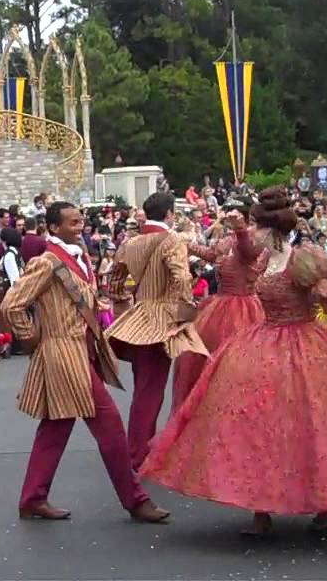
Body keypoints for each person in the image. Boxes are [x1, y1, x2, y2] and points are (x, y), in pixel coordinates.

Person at [141, 187, 327, 536]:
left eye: (256, 226)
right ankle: (260, 509)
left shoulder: (300, 261)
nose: (252, 232)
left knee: (314, 425)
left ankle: (326, 501)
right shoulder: (265, 259)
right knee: (257, 425)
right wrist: (233, 232)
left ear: (271, 230)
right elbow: (241, 252)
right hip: (263, 344)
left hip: (307, 347)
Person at [3, 202, 170, 523]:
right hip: (66, 355)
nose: (80, 226)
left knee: (56, 427)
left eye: (80, 221)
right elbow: (12, 305)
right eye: (73, 222)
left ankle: (32, 497)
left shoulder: (76, 257)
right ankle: (135, 500)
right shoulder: (47, 262)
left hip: (82, 351)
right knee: (110, 426)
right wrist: (35, 339)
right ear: (54, 228)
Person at [104, 192, 208, 470]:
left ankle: (139, 447)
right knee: (151, 389)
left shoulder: (130, 242)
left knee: (143, 384)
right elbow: (181, 278)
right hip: (161, 318)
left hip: (138, 314)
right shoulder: (171, 241)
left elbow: (114, 279)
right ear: (170, 214)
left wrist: (124, 300)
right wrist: (184, 311)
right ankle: (138, 452)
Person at [172, 202, 266, 412]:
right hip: (220, 304)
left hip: (244, 307)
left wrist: (240, 229)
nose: (229, 219)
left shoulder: (253, 241)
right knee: (206, 359)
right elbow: (212, 254)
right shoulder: (228, 240)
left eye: (235, 216)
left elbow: (248, 252)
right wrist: (187, 244)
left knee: (239, 360)